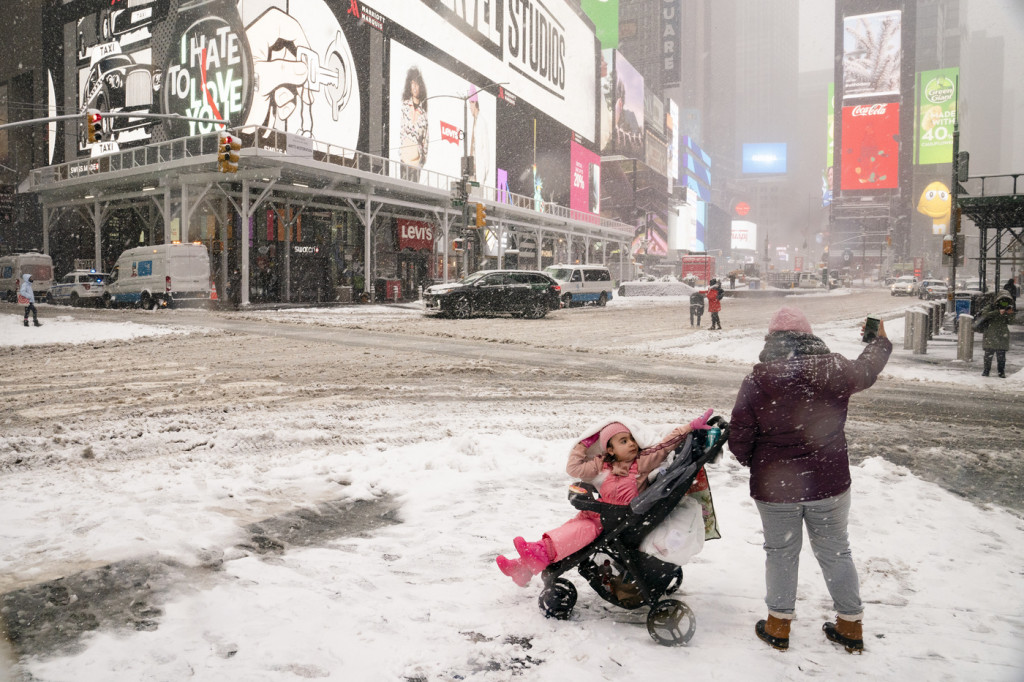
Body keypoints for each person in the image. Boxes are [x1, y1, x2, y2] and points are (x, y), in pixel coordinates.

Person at [729, 306, 892, 654]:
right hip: (829, 484)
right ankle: (850, 625)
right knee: (836, 551)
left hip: (776, 488)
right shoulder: (834, 368)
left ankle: (778, 625)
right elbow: (867, 370)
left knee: (781, 554)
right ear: (809, 335)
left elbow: (739, 435)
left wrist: (753, 462)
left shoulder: (758, 379)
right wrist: (880, 342)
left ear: (771, 340)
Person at [496, 412, 714, 587]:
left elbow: (665, 445)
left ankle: (536, 556)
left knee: (575, 534)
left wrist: (689, 428)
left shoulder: (641, 464)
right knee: (566, 532)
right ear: (610, 449)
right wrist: (585, 443)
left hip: (613, 521)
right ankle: (522, 567)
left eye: (631, 440)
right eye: (623, 441)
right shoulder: (602, 464)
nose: (631, 444)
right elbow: (573, 468)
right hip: (597, 513)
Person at [976, 290, 1015, 378]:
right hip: (990, 334)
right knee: (988, 355)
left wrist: (1009, 314)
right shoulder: (991, 307)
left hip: (1002, 335)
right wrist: (998, 312)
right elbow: (984, 316)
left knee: (1001, 356)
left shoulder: (1008, 309)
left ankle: (1001, 372)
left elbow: (1011, 321)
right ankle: (986, 370)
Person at [399, 67, 429, 182]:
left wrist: (422, 160)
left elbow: (426, 140)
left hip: (416, 162)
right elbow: (401, 131)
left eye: (417, 84)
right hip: (404, 160)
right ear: (409, 85)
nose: (415, 87)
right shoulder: (405, 106)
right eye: (413, 84)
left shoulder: (423, 114)